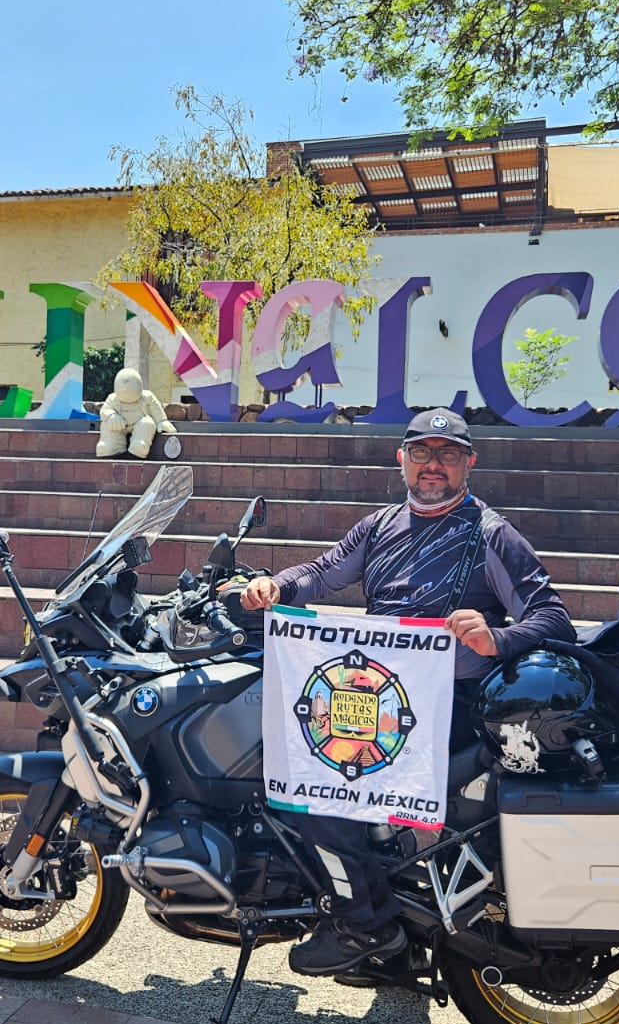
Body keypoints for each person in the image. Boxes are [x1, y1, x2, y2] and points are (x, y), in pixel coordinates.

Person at [241, 407, 576, 976]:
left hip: (451, 708)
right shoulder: (378, 527)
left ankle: (363, 925)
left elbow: (553, 617)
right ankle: (392, 940)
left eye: (448, 455)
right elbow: (321, 573)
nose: (433, 465)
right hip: (380, 702)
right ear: (401, 460)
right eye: (421, 452)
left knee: (307, 787)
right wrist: (275, 584)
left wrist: (496, 638)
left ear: (469, 463)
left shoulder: (491, 534)